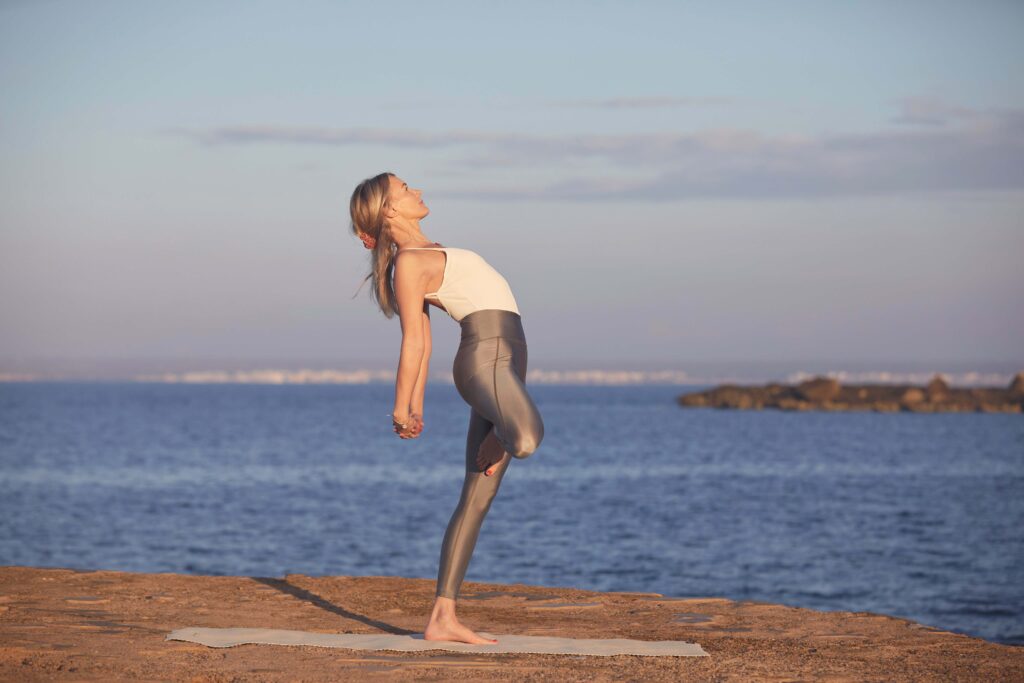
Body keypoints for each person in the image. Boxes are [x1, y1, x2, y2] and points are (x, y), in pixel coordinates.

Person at [348, 171, 545, 645]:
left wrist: (418, 405)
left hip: (503, 365)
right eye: (404, 188)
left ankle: (442, 616)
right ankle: (504, 434)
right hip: (486, 362)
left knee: (478, 497)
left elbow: (427, 340)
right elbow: (413, 341)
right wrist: (401, 408)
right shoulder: (409, 263)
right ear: (390, 210)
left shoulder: (425, 252)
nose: (416, 189)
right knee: (525, 437)